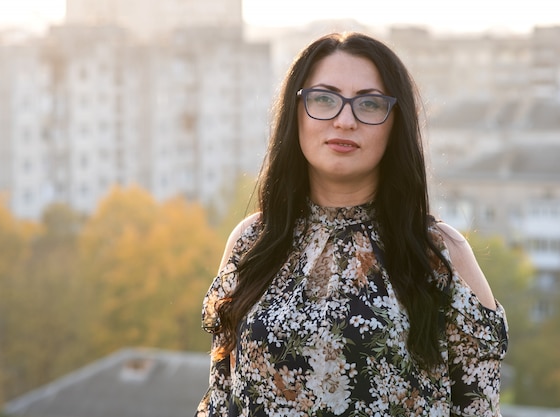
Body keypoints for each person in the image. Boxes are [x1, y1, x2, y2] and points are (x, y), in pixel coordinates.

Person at [195, 32, 508, 417]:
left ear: (395, 124)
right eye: (324, 99)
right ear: (296, 112)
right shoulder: (252, 243)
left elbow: (478, 408)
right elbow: (221, 397)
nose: (344, 121)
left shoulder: (441, 254)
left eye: (370, 104)